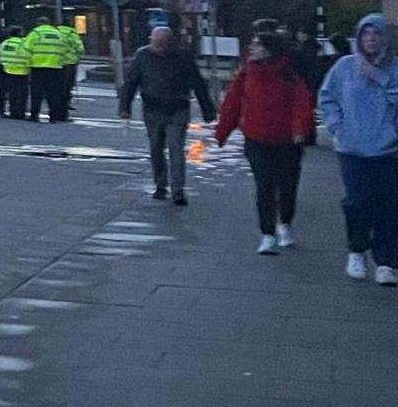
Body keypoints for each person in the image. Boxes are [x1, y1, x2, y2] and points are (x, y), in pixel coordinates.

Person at [213, 28, 315, 251]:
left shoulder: (288, 73)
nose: (253, 48)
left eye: (258, 45)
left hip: (288, 140)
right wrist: (222, 131)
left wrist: (299, 128)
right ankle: (267, 233)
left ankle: (285, 222)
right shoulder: (246, 73)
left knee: (287, 185)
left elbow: (302, 101)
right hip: (257, 139)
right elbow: (232, 102)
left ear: (269, 50)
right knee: (264, 186)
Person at [317, 14, 398, 285]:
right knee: (358, 203)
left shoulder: (395, 69)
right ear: (359, 37)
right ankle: (357, 250)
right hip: (352, 149)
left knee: (389, 206)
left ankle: (387, 261)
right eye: (367, 34)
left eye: (377, 34)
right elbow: (327, 98)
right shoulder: (344, 67)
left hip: (389, 150)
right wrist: (338, 128)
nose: (372, 39)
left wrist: (380, 78)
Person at [118, 25, 216, 205]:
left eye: (162, 44)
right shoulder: (143, 56)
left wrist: (207, 110)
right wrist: (125, 107)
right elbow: (131, 82)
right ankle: (160, 184)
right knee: (156, 148)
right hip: (152, 110)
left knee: (176, 149)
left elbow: (198, 83)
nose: (158, 48)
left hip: (177, 109)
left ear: (171, 42)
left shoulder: (183, 57)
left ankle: (178, 190)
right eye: (155, 43)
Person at [25, 21, 69, 123]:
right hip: (55, 67)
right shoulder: (59, 34)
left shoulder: (36, 33)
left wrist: (28, 64)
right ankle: (54, 117)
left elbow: (26, 49)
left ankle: (34, 115)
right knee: (53, 94)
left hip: (38, 67)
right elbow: (65, 50)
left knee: (36, 93)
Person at [0, 26, 31, 120]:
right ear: (20, 33)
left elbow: (0, 56)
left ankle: (13, 112)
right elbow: (28, 56)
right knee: (22, 94)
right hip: (22, 72)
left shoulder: (4, 43)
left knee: (13, 95)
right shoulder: (24, 43)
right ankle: (21, 113)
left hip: (8, 71)